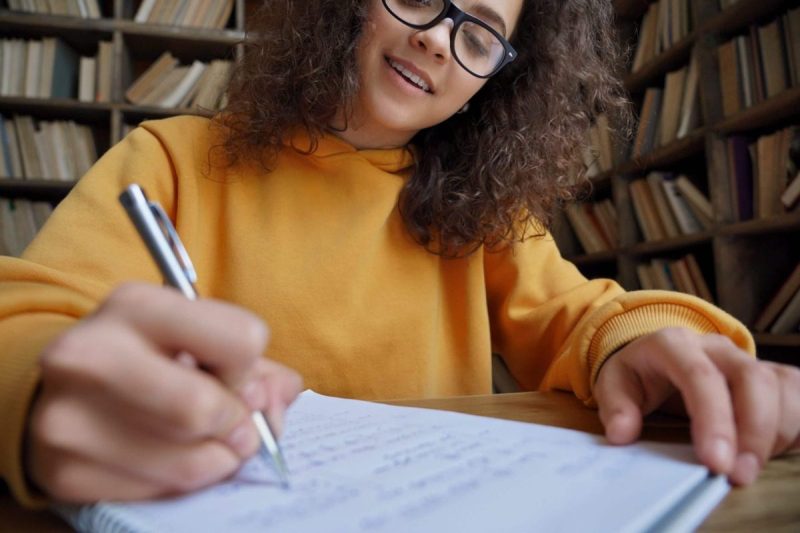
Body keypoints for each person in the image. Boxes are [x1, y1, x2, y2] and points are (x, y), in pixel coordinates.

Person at [1, 0, 798, 508]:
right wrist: (39, 397)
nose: (438, 40)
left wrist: (645, 340)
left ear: (500, 78)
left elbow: (579, 316)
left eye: (480, 31)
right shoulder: (171, 157)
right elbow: (24, 317)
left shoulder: (484, 211)